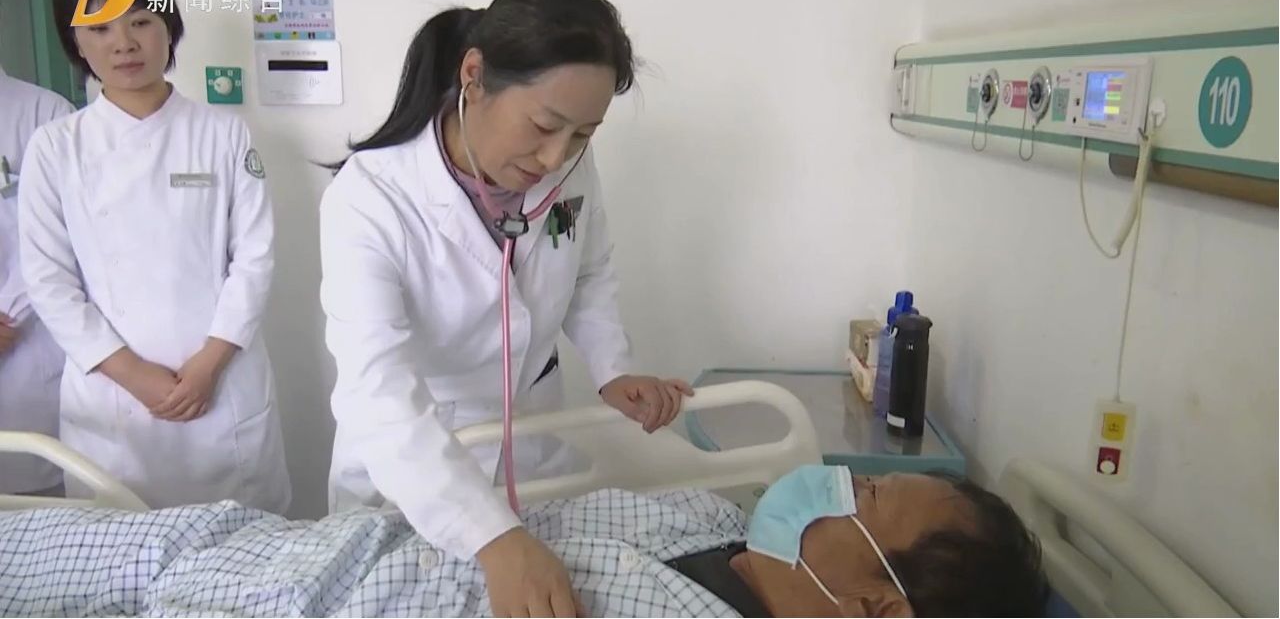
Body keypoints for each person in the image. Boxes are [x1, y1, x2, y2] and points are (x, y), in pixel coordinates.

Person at [320, 0, 692, 617]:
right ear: (474, 76)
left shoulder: (570, 169)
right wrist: (492, 537)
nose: (555, 158)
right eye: (544, 125)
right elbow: (377, 392)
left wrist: (612, 367)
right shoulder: (370, 199)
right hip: (415, 478)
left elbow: (589, 270)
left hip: (537, 457)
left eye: (583, 134)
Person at [0, 468, 1049, 617]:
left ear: (873, 605)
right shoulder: (712, 521)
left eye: (863, 493)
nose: (830, 480)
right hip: (291, 548)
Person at [16, 0, 290, 511]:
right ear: (76, 43)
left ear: (169, 28)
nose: (124, 43)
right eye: (100, 28)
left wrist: (208, 365)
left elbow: (255, 257)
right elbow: (49, 280)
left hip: (220, 389)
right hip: (114, 403)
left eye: (141, 21)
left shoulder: (223, 134)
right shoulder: (56, 147)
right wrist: (134, 375)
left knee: (246, 551)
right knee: (118, 549)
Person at [0, 57, 74, 497]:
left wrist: (9, 313)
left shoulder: (45, 114)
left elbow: (64, 234)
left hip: (26, 346)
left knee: (42, 508)